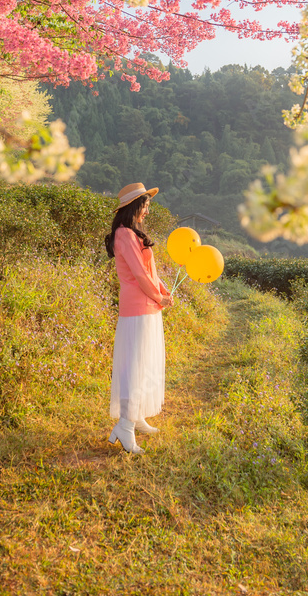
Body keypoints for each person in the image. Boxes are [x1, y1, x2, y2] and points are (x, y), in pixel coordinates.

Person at [105, 182, 173, 455]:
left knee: (144, 364)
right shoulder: (123, 235)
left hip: (147, 307)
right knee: (134, 366)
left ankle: (137, 415)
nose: (146, 212)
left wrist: (163, 290)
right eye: (144, 207)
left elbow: (150, 271)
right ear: (134, 207)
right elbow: (140, 276)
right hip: (138, 308)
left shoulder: (133, 234)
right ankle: (125, 425)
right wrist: (159, 297)